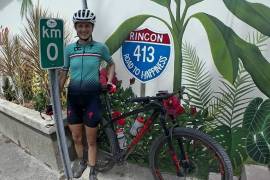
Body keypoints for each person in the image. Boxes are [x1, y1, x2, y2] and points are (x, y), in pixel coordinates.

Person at [59, 9, 115, 180]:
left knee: (91, 140)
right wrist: (54, 94)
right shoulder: (69, 49)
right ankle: (82, 162)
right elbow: (63, 73)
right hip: (73, 99)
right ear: (76, 28)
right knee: (76, 137)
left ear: (92, 27)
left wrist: (110, 81)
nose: (84, 29)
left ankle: (92, 169)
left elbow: (111, 64)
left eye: (87, 26)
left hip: (92, 99)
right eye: (80, 26)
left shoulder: (100, 48)